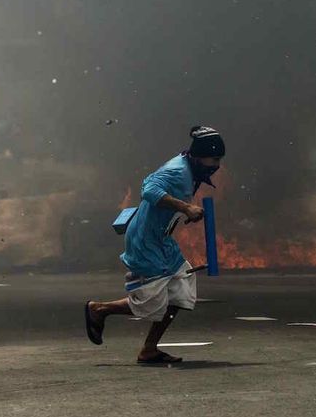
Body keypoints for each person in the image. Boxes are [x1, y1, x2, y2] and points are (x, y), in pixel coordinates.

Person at [84, 125, 225, 364]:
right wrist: (185, 207)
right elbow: (148, 189)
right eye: (214, 159)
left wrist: (182, 213)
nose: (216, 165)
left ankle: (149, 349)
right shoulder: (177, 170)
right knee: (152, 303)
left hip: (163, 241)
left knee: (180, 293)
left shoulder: (190, 168)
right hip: (145, 242)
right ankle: (99, 309)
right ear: (200, 156)